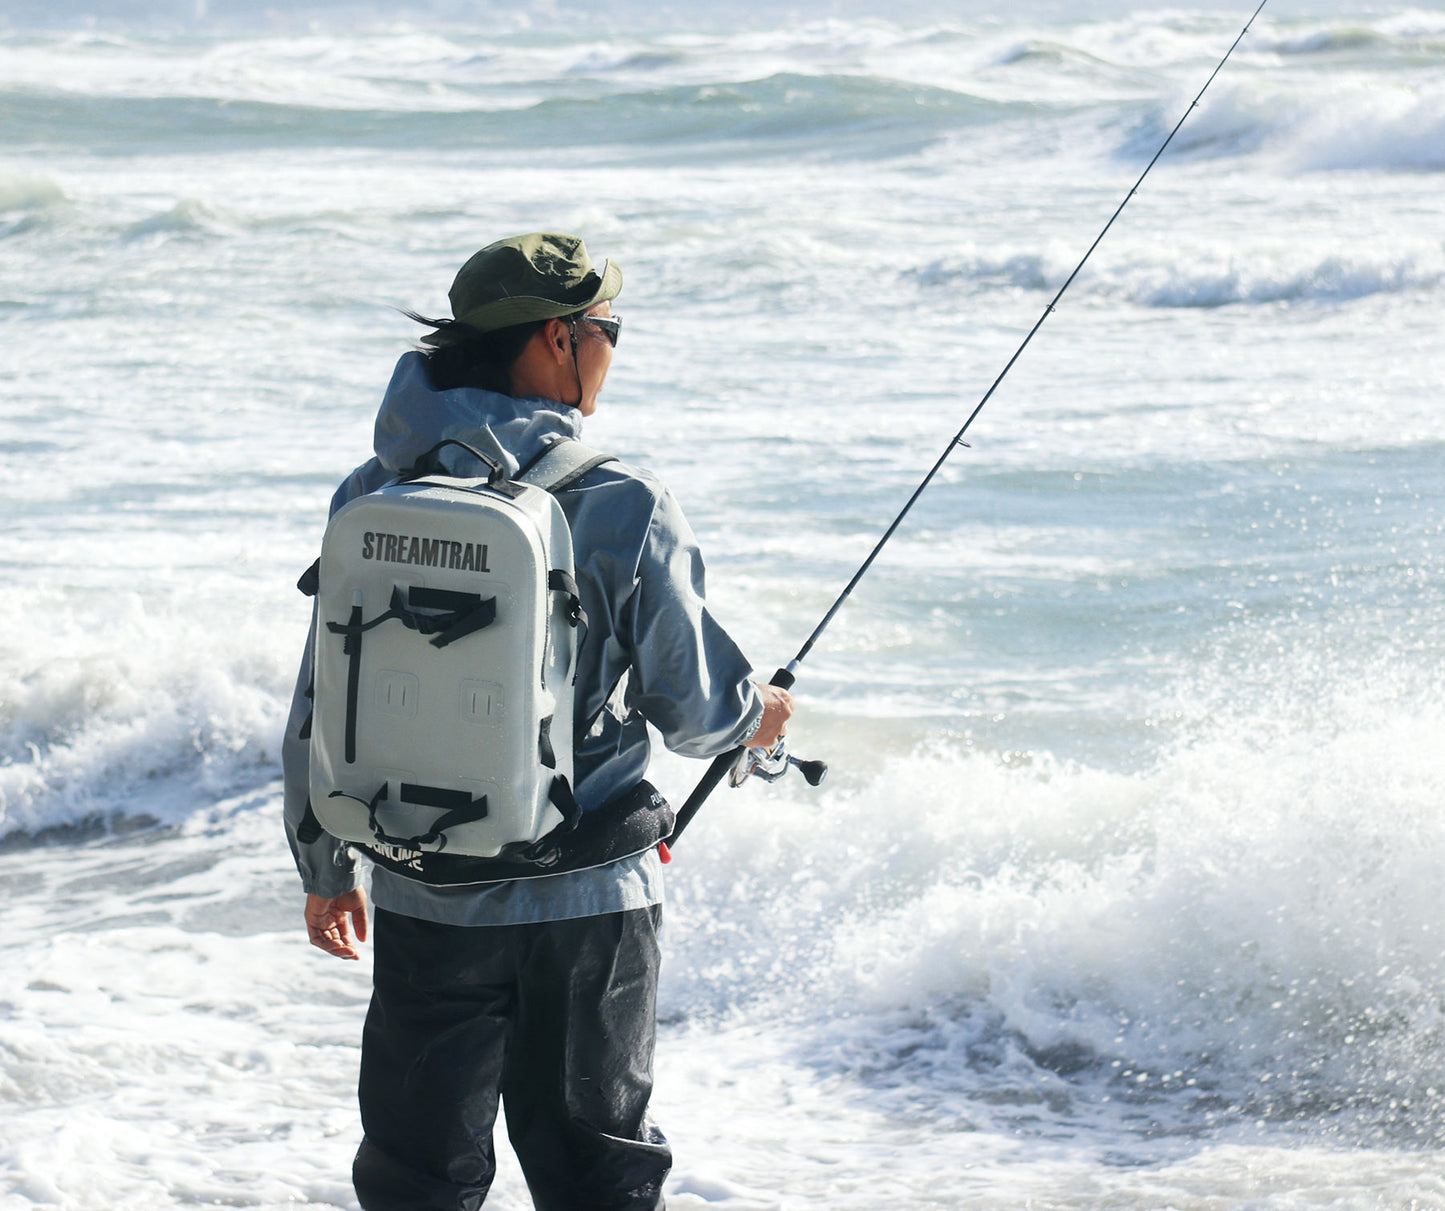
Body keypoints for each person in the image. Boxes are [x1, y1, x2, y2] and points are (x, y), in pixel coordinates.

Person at [281, 232, 793, 1211]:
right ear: (555, 338)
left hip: (426, 891)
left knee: (413, 1175)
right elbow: (694, 713)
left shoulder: (370, 494)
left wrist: (324, 866)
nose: (610, 350)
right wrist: (757, 713)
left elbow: (319, 701)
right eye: (607, 329)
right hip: (588, 902)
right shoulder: (619, 497)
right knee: (598, 1173)